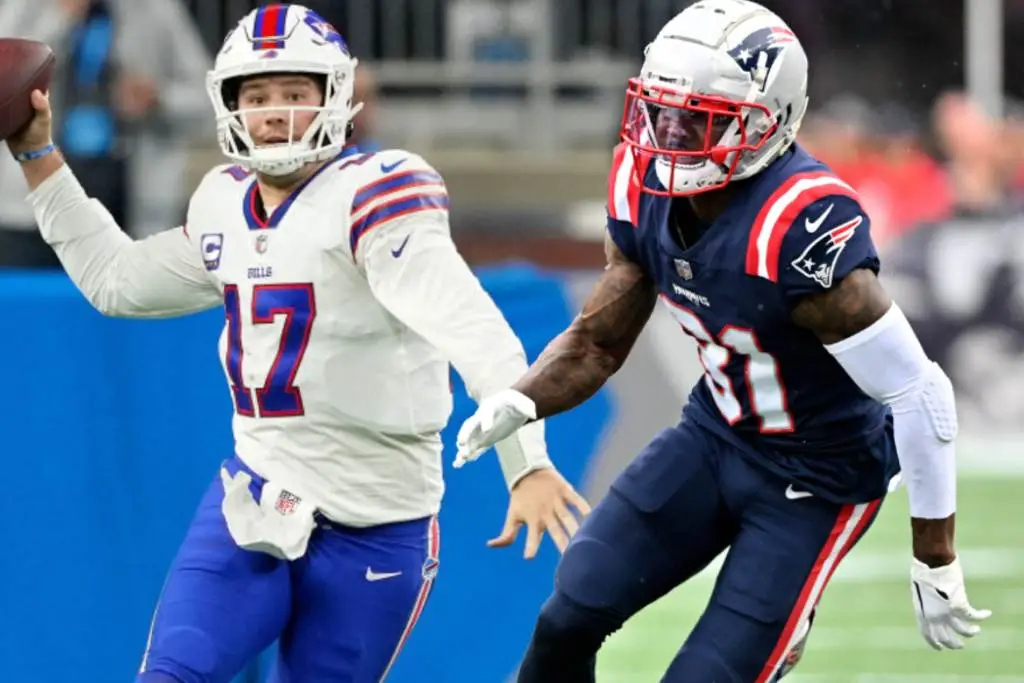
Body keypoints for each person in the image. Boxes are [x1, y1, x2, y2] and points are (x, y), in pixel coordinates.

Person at [6, 4, 589, 682]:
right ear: (230, 105)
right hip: (255, 500)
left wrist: (526, 461)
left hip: (379, 522)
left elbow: (474, 330)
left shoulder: (376, 194)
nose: (277, 113)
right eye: (258, 96)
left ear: (335, 96)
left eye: (295, 93)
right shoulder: (223, 201)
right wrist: (37, 155)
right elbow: (117, 281)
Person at [454, 1, 990, 681]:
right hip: (715, 435)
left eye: (698, 118)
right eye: (663, 111)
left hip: (817, 476)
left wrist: (935, 555)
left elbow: (918, 388)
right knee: (568, 613)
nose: (670, 135)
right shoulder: (640, 182)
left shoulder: (797, 226)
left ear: (770, 121)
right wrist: (522, 400)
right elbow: (597, 341)